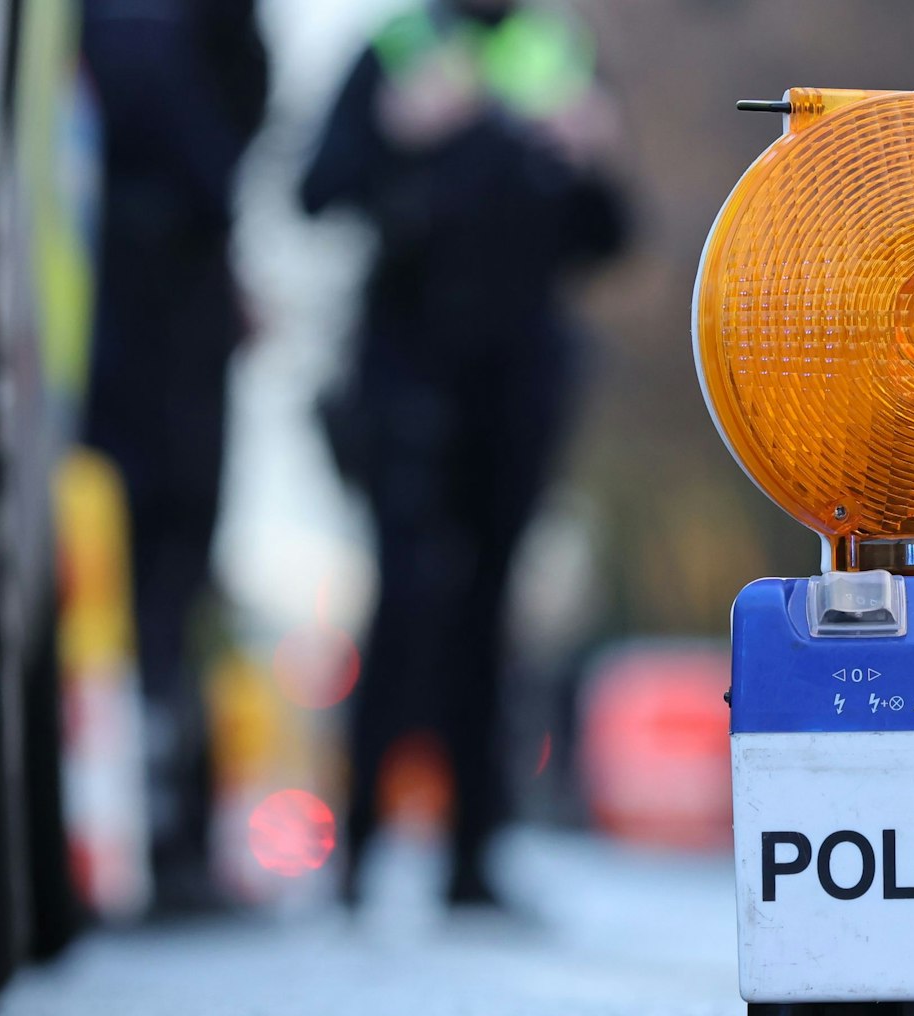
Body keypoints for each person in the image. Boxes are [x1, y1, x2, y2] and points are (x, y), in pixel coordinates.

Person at [300, 0, 627, 912]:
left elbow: (609, 235)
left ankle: (472, 859)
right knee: (406, 603)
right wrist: (399, 135)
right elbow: (317, 190)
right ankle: (359, 848)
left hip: (517, 384)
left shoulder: (558, 56)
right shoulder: (396, 51)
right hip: (407, 376)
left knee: (489, 612)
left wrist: (589, 156)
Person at [82, 0, 268, 911]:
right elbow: (200, 120)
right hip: (147, 309)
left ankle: (157, 828)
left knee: (156, 582)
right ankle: (156, 834)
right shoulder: (152, 29)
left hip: (146, 294)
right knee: (151, 578)